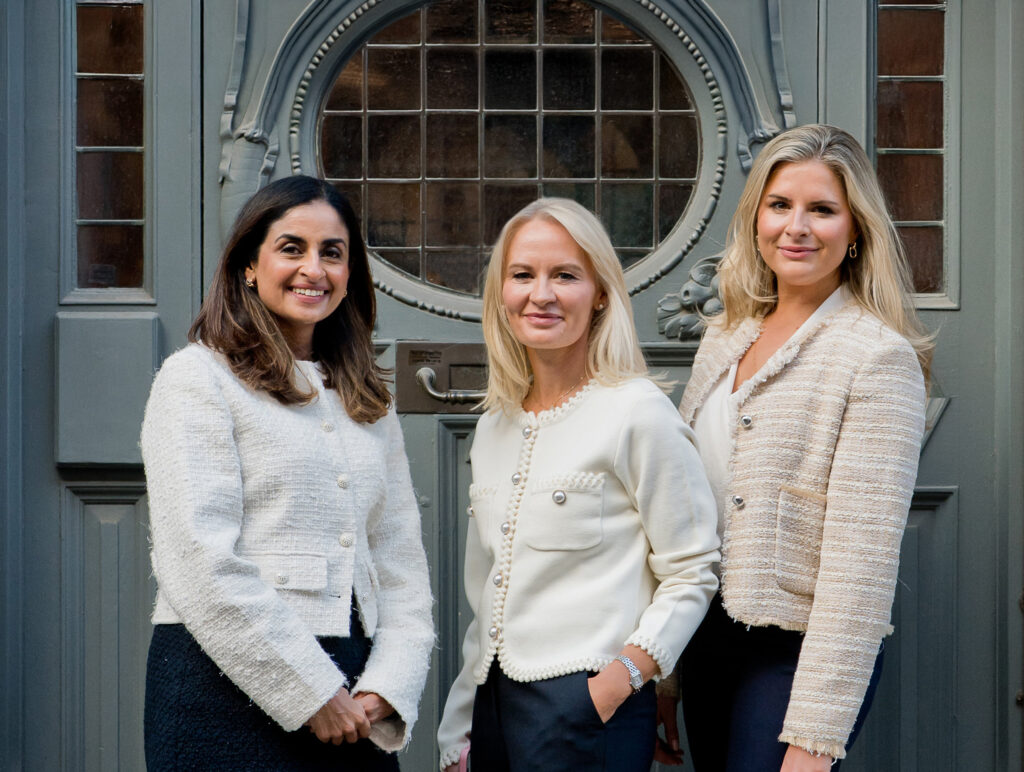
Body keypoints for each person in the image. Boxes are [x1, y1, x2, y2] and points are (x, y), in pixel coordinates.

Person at [660, 124, 932, 771]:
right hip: (704, 638)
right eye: (779, 205)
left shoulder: (876, 356)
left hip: (795, 652)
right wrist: (665, 673)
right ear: (756, 217)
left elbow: (860, 570)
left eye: (822, 209)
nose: (797, 226)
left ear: (856, 226)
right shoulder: (724, 336)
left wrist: (814, 736)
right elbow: (679, 517)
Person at [141, 175, 433, 771]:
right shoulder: (197, 379)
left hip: (356, 701)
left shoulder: (368, 398)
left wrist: (389, 685)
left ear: (351, 273)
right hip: (221, 690)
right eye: (291, 248)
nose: (314, 269)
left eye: (333, 252)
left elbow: (401, 563)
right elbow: (197, 558)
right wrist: (309, 692)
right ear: (249, 264)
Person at [436, 198, 720, 772]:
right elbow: (484, 592)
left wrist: (620, 682)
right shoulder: (493, 426)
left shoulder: (637, 413)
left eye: (564, 275)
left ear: (600, 295)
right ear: (502, 296)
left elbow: (692, 570)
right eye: (523, 275)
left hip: (588, 704)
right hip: (491, 706)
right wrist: (459, 729)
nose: (541, 294)